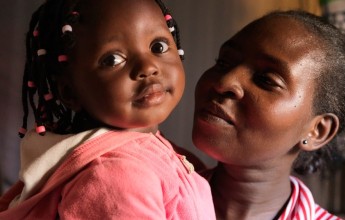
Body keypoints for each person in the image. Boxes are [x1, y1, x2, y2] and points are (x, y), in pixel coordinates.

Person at [0, 0, 216, 219]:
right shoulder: (117, 174)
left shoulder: (154, 149)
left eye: (158, 47)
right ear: (69, 93)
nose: (148, 67)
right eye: (113, 59)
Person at [192, 10, 345, 220]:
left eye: (266, 80)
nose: (224, 82)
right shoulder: (153, 192)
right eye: (224, 63)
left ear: (317, 131)